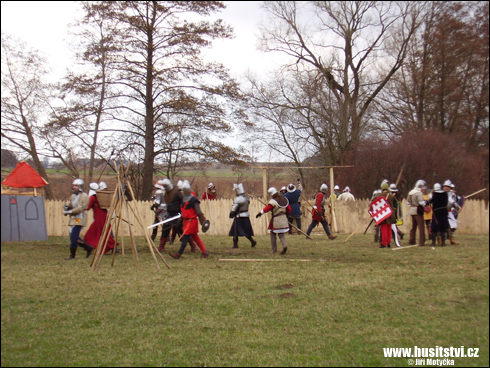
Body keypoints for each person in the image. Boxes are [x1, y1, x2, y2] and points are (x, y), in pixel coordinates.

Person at [170, 181, 209, 259]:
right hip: (186, 221)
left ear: (184, 191)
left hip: (192, 222)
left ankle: (178, 255)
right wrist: (180, 219)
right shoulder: (184, 199)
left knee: (185, 239)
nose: (181, 192)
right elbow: (184, 211)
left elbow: (199, 212)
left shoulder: (193, 200)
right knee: (195, 238)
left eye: (182, 190)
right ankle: (204, 252)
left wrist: (203, 221)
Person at [80, 182, 117, 257]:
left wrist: (81, 206)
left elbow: (88, 207)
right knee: (103, 232)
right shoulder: (99, 197)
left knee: (94, 233)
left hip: (99, 217)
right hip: (102, 215)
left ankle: (110, 246)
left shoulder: (93, 197)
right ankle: (110, 246)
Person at [256, 187, 291, 254]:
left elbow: (267, 208)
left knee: (273, 234)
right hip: (283, 218)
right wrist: (286, 216)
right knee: (281, 234)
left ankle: (274, 250)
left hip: (276, 220)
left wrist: (260, 213)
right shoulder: (284, 199)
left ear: (272, 194)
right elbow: (289, 209)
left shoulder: (273, 201)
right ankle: (284, 245)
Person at [63, 178, 90, 260]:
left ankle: (72, 256)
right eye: (73, 185)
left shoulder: (84, 196)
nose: (74, 187)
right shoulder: (73, 195)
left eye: (76, 186)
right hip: (73, 218)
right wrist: (66, 207)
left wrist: (69, 212)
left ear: (80, 187)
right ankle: (88, 247)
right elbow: (70, 204)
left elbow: (80, 208)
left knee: (74, 237)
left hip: (79, 218)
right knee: (73, 237)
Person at [158, 179, 183, 252]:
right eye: (164, 186)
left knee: (180, 230)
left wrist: (182, 214)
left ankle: (192, 245)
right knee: (165, 229)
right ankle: (161, 247)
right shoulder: (166, 193)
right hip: (169, 214)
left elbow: (184, 201)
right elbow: (164, 204)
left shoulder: (177, 192)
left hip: (177, 214)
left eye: (165, 186)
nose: (164, 188)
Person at [229, 183, 256, 248]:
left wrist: (231, 214)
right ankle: (252, 241)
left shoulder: (239, 198)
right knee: (245, 230)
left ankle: (235, 245)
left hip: (239, 216)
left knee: (235, 231)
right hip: (245, 216)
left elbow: (233, 209)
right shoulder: (246, 198)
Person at [375, 182, 397, 248]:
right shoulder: (391, 196)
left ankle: (384, 244)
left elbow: (373, 203)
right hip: (390, 214)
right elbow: (396, 204)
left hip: (383, 214)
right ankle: (389, 243)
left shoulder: (379, 196)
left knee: (384, 229)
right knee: (389, 229)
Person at [407, 179, 427, 247]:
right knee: (421, 227)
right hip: (418, 211)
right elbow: (421, 203)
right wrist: (426, 203)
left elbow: (408, 203)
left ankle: (412, 240)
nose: (423, 188)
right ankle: (421, 242)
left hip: (412, 210)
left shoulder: (410, 192)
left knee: (413, 227)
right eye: (423, 187)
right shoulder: (419, 193)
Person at [443, 180, 461, 245]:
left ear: (450, 187)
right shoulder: (440, 193)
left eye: (448, 187)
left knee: (453, 226)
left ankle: (452, 240)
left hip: (449, 212)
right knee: (442, 226)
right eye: (445, 186)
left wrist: (456, 206)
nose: (446, 188)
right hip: (442, 212)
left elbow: (454, 202)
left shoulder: (452, 195)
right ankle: (441, 241)